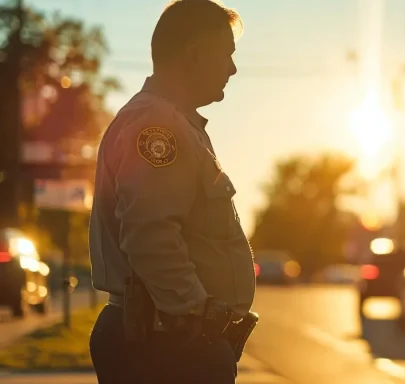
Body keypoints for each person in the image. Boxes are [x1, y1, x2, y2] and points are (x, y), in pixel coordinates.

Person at [87, 1, 255, 383]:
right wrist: (197, 314)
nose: (232, 68)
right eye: (226, 54)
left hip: (168, 341)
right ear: (195, 55)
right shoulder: (158, 127)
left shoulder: (174, 123)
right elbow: (151, 236)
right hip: (166, 345)